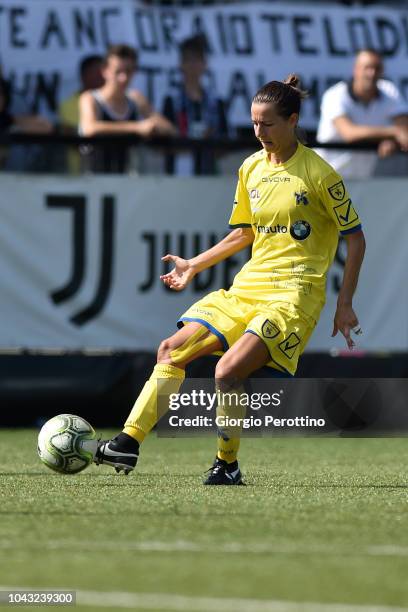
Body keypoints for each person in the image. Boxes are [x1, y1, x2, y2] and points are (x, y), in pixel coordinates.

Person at [95, 75, 366, 485]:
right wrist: (193, 266)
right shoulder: (251, 168)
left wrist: (344, 303)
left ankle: (227, 463)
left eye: (268, 124)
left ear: (292, 121)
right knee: (170, 350)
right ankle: (127, 443)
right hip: (246, 290)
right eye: (255, 124)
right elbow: (244, 233)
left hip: (294, 296)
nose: (260, 133)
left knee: (226, 372)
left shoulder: (320, 174)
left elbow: (356, 239)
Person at [79, 44, 176, 173]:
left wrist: (154, 127)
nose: (123, 78)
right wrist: (137, 128)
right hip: (96, 182)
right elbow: (89, 129)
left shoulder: (135, 99)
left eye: (129, 71)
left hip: (127, 181)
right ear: (105, 71)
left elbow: (169, 129)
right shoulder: (90, 98)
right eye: (118, 71)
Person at [316, 48, 408, 178]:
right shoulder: (335, 95)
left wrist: (393, 141)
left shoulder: (389, 91)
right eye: (367, 67)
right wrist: (393, 133)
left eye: (377, 68)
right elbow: (349, 133)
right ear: (356, 70)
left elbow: (403, 130)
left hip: (360, 182)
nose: (372, 73)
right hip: (323, 179)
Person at [162, 34, 228, 175]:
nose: (193, 65)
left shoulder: (216, 101)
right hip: (178, 174)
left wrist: (210, 139)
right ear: (181, 64)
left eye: (197, 60)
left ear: (205, 63)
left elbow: (225, 141)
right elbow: (163, 142)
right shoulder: (171, 100)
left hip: (209, 172)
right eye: (188, 60)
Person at [58, 54, 104, 173]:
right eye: (97, 73)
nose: (102, 77)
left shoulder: (114, 104)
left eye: (104, 72)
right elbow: (72, 136)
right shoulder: (66, 105)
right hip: (77, 174)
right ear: (83, 75)